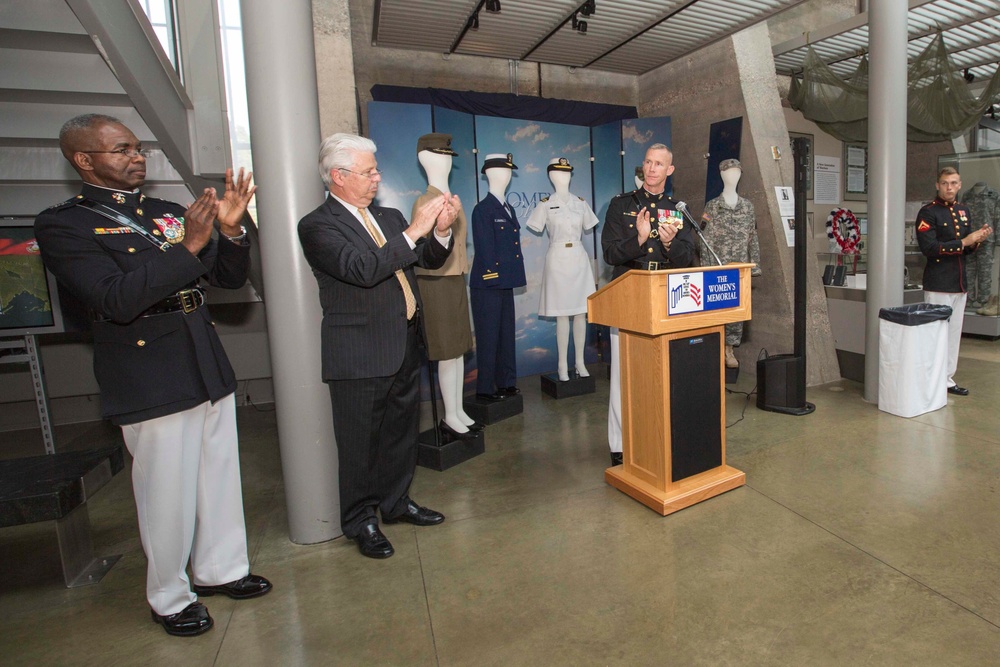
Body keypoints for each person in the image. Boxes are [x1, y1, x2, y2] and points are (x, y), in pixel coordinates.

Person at [33, 114, 270, 638]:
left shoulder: (166, 212)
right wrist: (188, 245)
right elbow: (114, 299)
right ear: (84, 160)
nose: (136, 156)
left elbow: (227, 280)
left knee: (218, 475)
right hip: (146, 366)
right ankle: (169, 595)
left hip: (201, 354)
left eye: (137, 148)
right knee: (166, 489)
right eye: (121, 149)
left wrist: (229, 230)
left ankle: (220, 569)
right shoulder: (63, 225)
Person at [297, 133, 459, 560]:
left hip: (404, 342)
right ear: (338, 176)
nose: (377, 178)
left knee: (400, 433)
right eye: (369, 172)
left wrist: (439, 232)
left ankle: (396, 502)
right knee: (359, 442)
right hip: (359, 353)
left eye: (376, 170)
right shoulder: (318, 226)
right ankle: (360, 520)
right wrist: (415, 230)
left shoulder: (386, 217)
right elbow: (363, 270)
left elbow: (427, 260)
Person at [601, 143, 696, 466]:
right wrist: (639, 238)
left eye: (659, 164)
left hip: (666, 294)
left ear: (670, 171)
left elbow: (687, 260)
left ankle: (658, 436)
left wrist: (669, 243)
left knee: (661, 371)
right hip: (629, 293)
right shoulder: (621, 205)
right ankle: (620, 444)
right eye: (648, 162)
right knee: (622, 374)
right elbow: (611, 254)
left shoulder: (678, 209)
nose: (652, 168)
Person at [412, 133, 482, 440]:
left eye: (449, 155)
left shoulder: (450, 197)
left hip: (454, 278)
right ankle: (449, 414)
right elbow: (422, 246)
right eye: (441, 155)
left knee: (457, 350)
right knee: (445, 351)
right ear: (426, 159)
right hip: (436, 281)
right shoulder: (425, 202)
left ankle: (457, 410)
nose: (447, 160)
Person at [916, 166, 993, 396]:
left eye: (954, 183)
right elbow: (929, 249)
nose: (949, 188)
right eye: (945, 183)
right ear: (937, 185)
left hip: (959, 284)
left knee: (953, 335)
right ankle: (929, 380)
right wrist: (964, 241)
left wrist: (977, 240)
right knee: (934, 335)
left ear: (959, 185)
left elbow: (966, 250)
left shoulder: (963, 210)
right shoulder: (928, 213)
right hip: (938, 283)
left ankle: (947, 380)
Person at [526, 157, 599, 381]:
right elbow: (536, 226)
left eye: (567, 173)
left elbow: (589, 225)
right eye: (559, 173)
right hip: (557, 260)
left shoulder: (580, 202)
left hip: (578, 258)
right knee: (561, 316)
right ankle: (561, 365)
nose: (564, 177)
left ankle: (579, 362)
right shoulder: (545, 204)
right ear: (551, 176)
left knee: (580, 313)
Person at [469, 153, 526, 401]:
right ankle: (484, 388)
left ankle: (506, 382)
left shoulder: (508, 208)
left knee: (506, 334)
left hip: (506, 281)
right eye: (503, 171)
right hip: (488, 284)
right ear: (490, 174)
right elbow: (484, 248)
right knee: (488, 336)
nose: (506, 175)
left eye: (508, 171)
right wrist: (494, 276)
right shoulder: (482, 209)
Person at [699, 158, 762, 369]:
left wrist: (756, 265)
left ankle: (730, 348)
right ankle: (715, 345)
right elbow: (704, 239)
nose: (732, 176)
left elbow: (753, 237)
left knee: (737, 310)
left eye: (736, 172)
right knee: (717, 310)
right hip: (718, 268)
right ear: (721, 174)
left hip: (740, 268)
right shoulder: (712, 206)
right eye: (728, 172)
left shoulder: (748, 207)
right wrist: (706, 269)